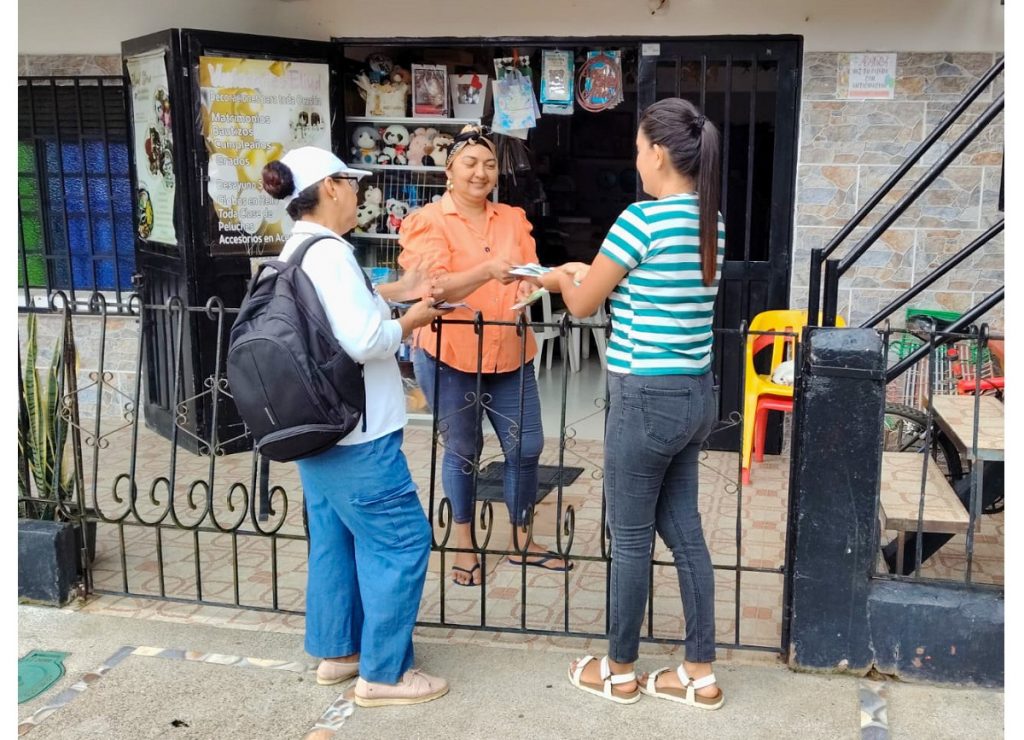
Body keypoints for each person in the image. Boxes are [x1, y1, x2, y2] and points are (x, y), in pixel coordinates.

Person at [539, 99, 726, 709]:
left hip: (645, 398)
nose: (636, 160)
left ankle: (619, 669)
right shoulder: (709, 221)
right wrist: (582, 273)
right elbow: (635, 286)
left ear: (660, 153)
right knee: (686, 535)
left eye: (641, 148)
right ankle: (699, 671)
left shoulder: (639, 220)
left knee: (630, 536)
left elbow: (583, 304)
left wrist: (558, 278)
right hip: (695, 395)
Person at [261, 146, 450, 707]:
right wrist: (410, 321)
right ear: (333, 188)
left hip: (319, 430)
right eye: (353, 182)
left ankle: (339, 651)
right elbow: (365, 339)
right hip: (358, 434)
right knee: (401, 539)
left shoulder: (296, 250)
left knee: (336, 539)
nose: (359, 192)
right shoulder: (332, 254)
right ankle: (385, 674)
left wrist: (396, 295)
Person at [398, 124, 571, 586]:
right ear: (449, 170)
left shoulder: (513, 218)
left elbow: (529, 269)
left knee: (527, 446)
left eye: (490, 164)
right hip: (449, 354)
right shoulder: (427, 221)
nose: (481, 173)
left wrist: (533, 284)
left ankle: (520, 539)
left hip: (510, 350)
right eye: (470, 163)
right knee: (463, 449)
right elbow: (430, 287)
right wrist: (486, 271)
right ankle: (463, 540)